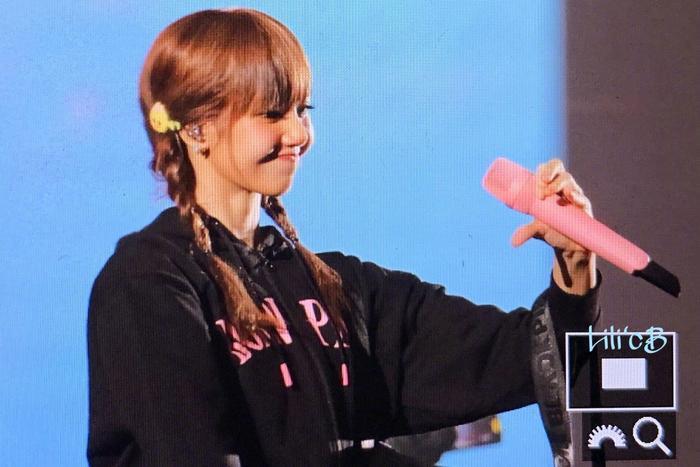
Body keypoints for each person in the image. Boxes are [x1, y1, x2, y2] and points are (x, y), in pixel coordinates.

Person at [86, 8, 601, 467]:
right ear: (197, 127)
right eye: (272, 114)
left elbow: (519, 358)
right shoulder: (148, 282)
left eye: (302, 111)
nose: (297, 135)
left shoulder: (332, 286)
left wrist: (575, 262)